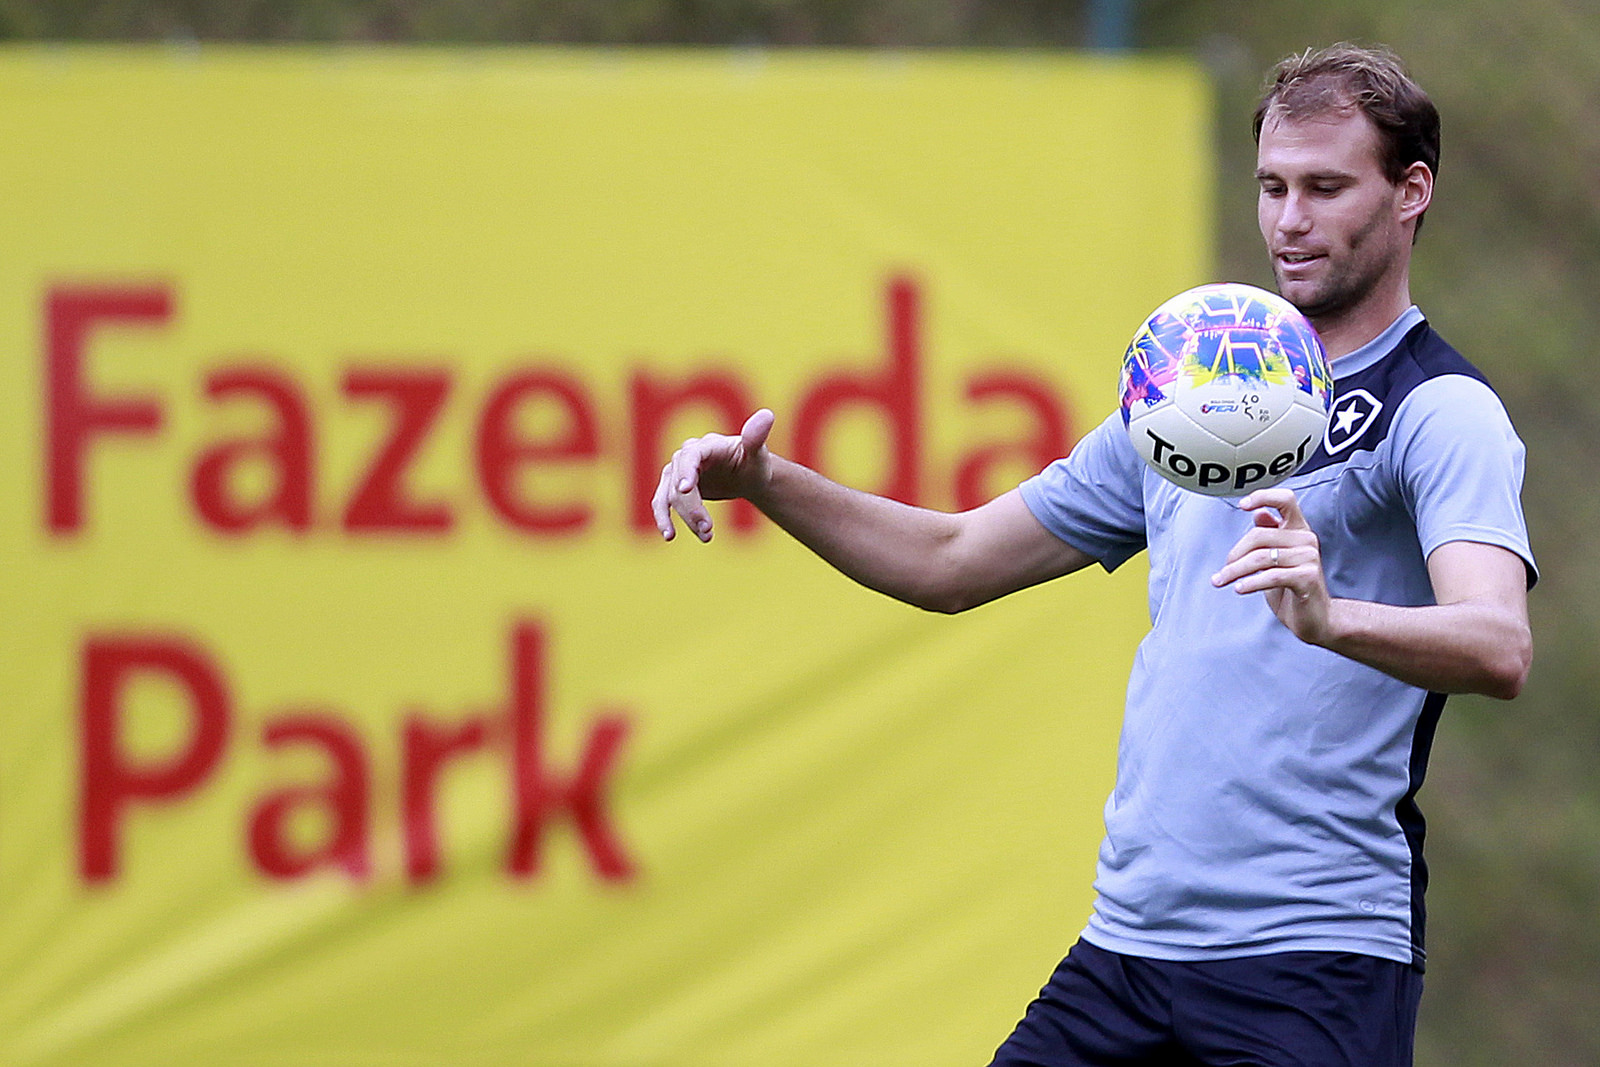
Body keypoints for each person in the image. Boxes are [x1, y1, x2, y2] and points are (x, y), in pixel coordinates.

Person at [652, 43, 1534, 1067]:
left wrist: (1329, 614)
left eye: (1326, 188)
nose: (1289, 220)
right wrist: (767, 481)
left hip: (1313, 957)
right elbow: (952, 559)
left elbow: (1496, 641)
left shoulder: (1437, 409)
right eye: (1272, 186)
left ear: (1410, 191)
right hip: (1129, 948)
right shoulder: (1188, 396)